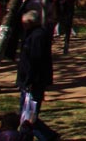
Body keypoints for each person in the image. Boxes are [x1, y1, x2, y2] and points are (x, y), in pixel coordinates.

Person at [17, 9, 57, 140]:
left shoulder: (38, 36)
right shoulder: (32, 34)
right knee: (26, 115)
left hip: (34, 81)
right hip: (29, 80)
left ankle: (48, 136)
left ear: (30, 22)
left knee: (29, 116)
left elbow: (36, 60)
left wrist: (29, 80)